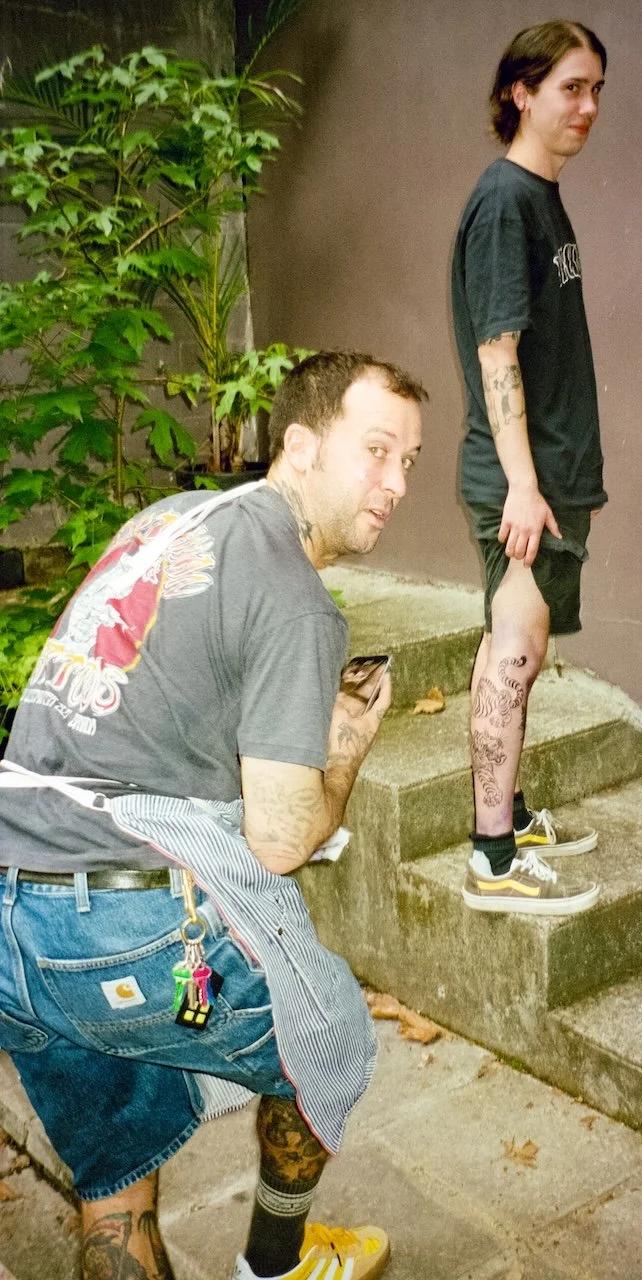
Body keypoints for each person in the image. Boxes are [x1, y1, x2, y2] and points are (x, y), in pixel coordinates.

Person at [0, 350, 425, 1280]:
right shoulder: (294, 596)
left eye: (410, 462)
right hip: (119, 925)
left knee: (115, 1180)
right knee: (328, 1045)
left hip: (9, 919)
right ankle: (277, 1266)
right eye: (378, 450)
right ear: (302, 445)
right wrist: (346, 741)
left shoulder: (170, 519)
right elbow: (281, 839)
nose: (396, 483)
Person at [450, 20, 608, 915]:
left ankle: (507, 813)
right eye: (569, 88)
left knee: (528, 644)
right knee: (510, 650)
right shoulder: (507, 200)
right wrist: (521, 480)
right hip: (525, 479)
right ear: (521, 92)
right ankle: (492, 859)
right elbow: (495, 350)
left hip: (549, 476)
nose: (586, 107)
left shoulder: (538, 195)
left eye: (595, 91)